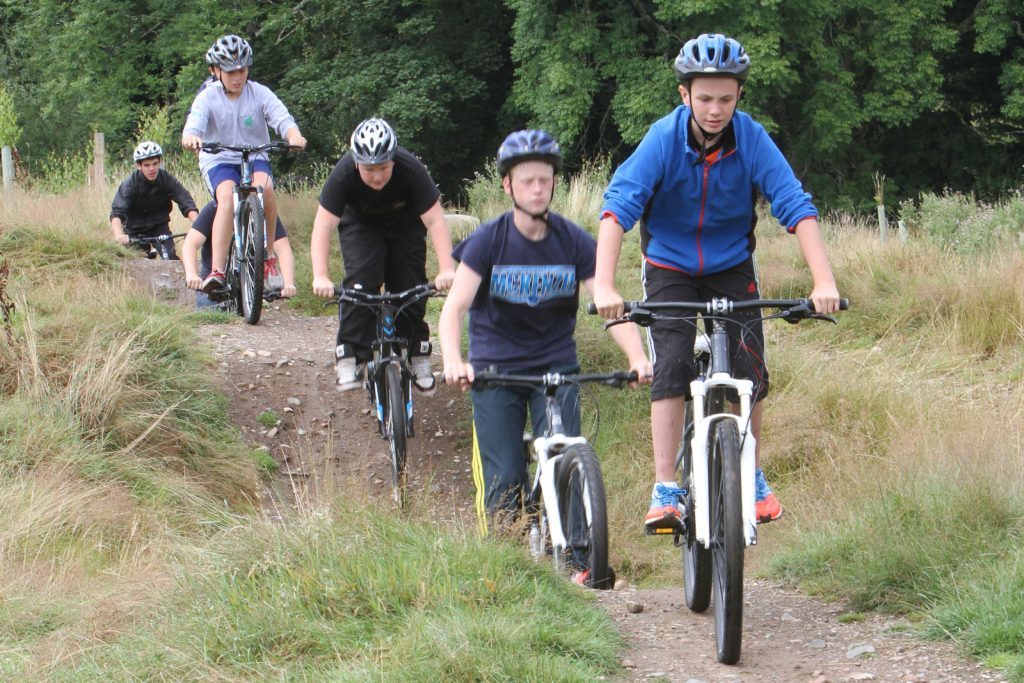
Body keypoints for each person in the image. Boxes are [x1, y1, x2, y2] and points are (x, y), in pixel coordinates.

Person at [592, 33, 841, 529]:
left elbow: (795, 204)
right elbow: (617, 210)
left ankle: (749, 474)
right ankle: (665, 487)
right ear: (684, 95)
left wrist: (823, 281)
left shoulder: (750, 138)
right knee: (672, 364)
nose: (715, 109)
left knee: (751, 368)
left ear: (738, 97)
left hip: (730, 264)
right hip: (669, 266)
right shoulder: (663, 139)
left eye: (726, 98)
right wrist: (604, 286)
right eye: (704, 98)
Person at [439, 129, 652, 541]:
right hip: (496, 372)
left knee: (566, 458)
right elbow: (454, 309)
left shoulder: (573, 240)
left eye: (544, 180)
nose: (537, 189)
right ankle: (505, 560)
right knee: (503, 475)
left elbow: (610, 306)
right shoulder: (487, 241)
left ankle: (577, 560)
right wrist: (453, 359)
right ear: (508, 185)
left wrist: (636, 358)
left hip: (556, 368)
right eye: (526, 181)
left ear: (554, 182)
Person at [311, 117, 456, 396]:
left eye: (383, 168)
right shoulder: (343, 174)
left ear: (394, 161)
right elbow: (323, 226)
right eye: (368, 170)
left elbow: (436, 222)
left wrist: (447, 268)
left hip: (406, 224)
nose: (376, 176)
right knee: (361, 283)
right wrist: (320, 275)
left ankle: (417, 353)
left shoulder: (411, 169)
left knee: (411, 285)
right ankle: (351, 355)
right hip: (361, 225)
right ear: (356, 163)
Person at [181, 34, 306, 296]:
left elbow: (282, 118)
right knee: (227, 196)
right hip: (220, 158)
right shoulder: (207, 97)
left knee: (266, 190)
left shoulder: (259, 93)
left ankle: (268, 257)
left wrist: (293, 135)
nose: (238, 76)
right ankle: (217, 270)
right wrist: (191, 137)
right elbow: (194, 124)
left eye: (243, 69)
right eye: (230, 71)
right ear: (215, 71)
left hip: (255, 155)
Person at [181, 200, 295, 309]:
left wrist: (288, 283)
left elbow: (283, 249)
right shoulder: (214, 208)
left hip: (248, 291)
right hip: (213, 290)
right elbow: (190, 244)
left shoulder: (261, 211)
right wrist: (192, 274)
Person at [109, 141, 199, 258]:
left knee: (170, 257)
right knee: (137, 263)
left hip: (159, 227)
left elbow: (185, 201)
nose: (152, 169)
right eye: (147, 165)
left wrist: (198, 225)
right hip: (135, 230)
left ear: (160, 162)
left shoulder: (166, 179)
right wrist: (119, 235)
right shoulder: (129, 184)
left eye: (155, 163)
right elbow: (117, 213)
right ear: (138, 166)